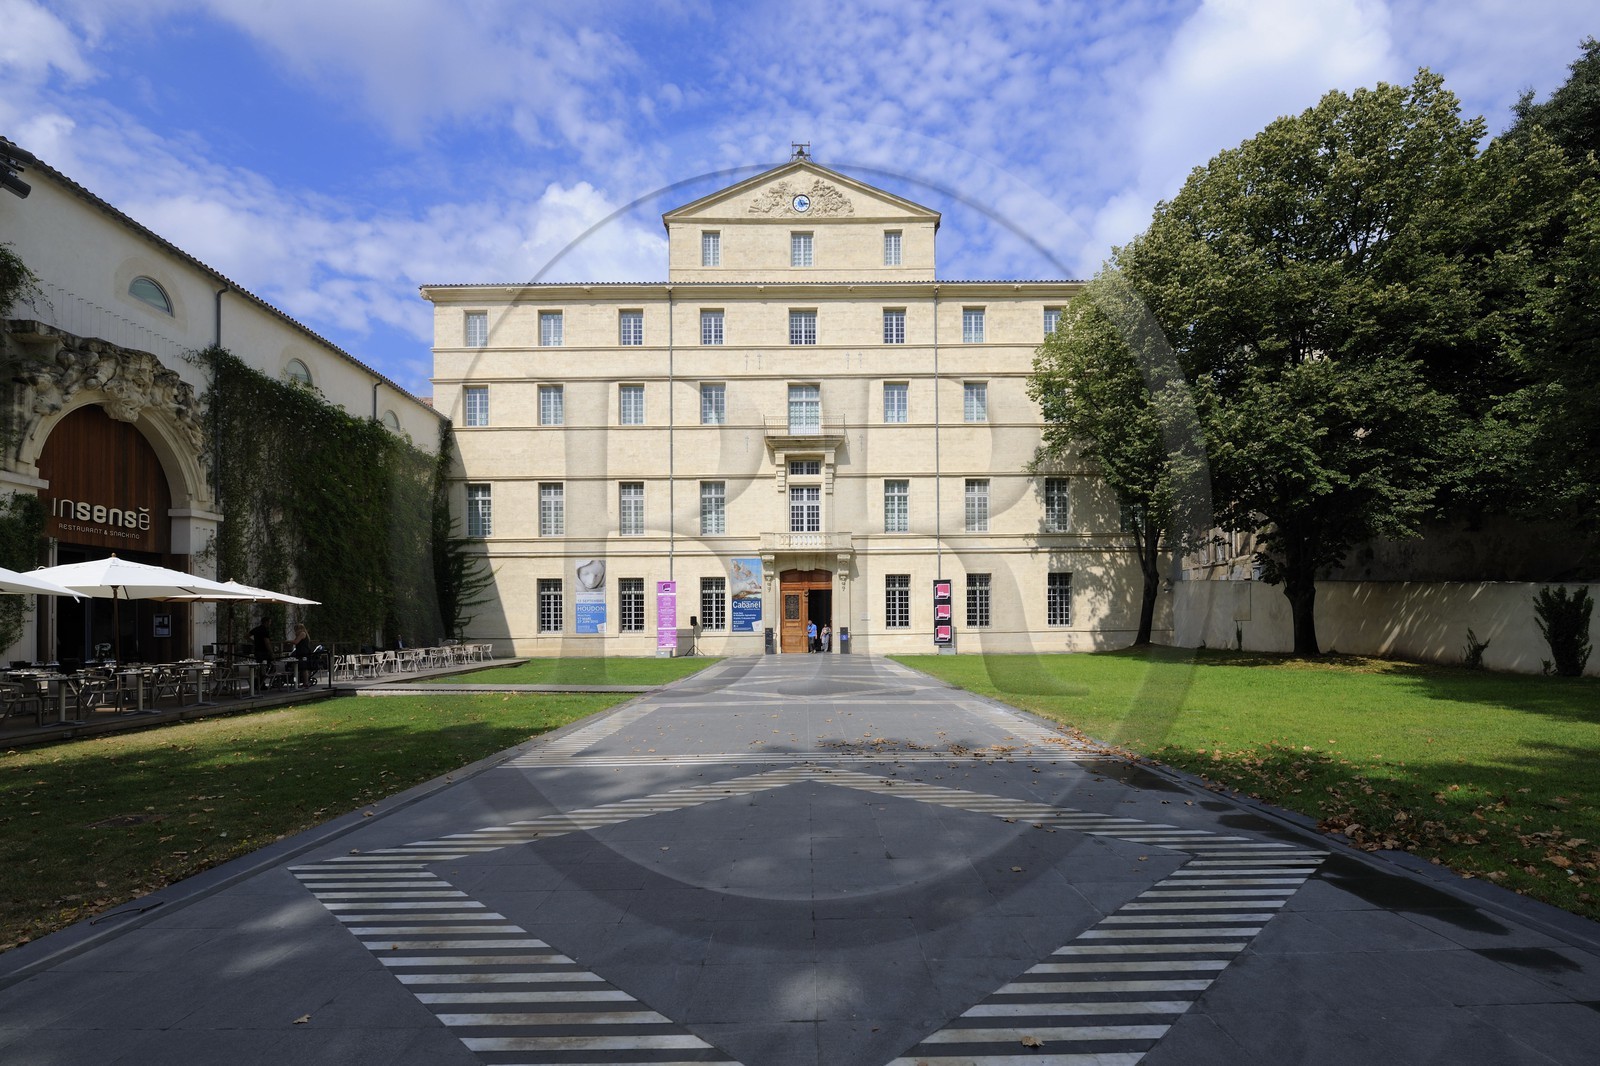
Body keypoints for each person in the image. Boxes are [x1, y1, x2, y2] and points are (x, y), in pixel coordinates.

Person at [290, 622, 313, 686]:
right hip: (300, 652)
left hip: (303, 652)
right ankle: (300, 681)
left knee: (304, 668)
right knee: (301, 668)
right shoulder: (300, 634)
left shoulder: (302, 634)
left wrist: (288, 641)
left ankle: (306, 682)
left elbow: (296, 642)